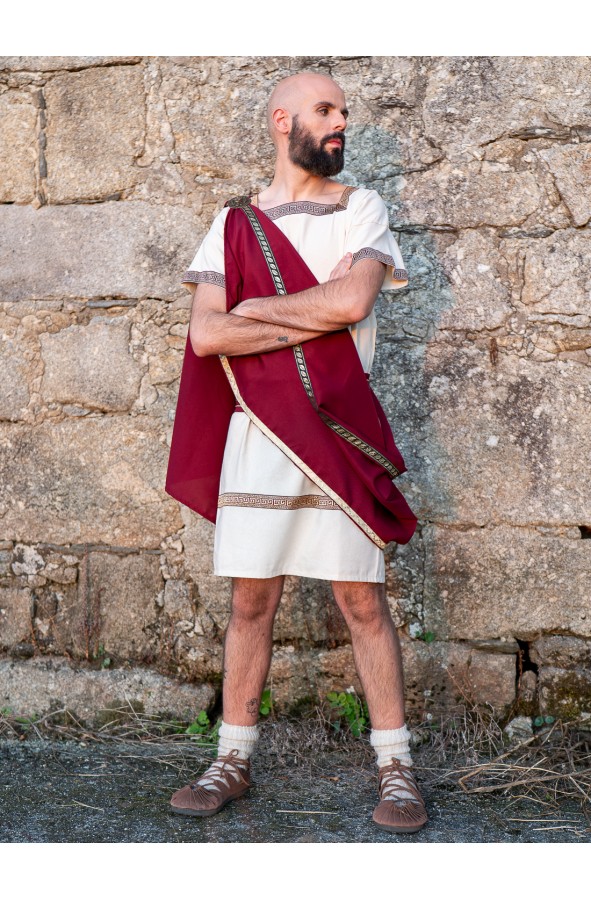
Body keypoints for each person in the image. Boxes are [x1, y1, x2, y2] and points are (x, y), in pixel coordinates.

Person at [165, 71, 428, 834]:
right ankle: (232, 756)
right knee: (251, 601)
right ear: (283, 121)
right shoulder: (233, 224)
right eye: (325, 110)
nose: (339, 121)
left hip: (337, 428)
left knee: (359, 600)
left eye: (343, 111)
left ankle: (395, 766)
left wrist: (254, 309)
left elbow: (352, 303)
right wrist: (301, 319)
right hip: (258, 434)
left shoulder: (361, 208)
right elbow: (207, 335)